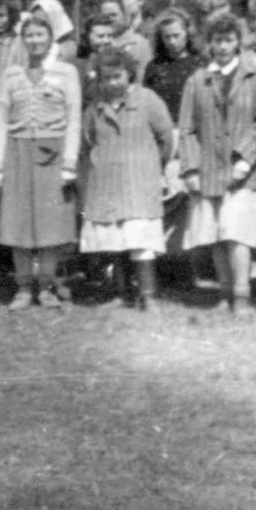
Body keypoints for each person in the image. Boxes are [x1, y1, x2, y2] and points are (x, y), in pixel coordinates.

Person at [177, 15, 256, 315]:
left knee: (238, 233)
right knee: (216, 234)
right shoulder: (198, 79)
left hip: (245, 171)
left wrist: (244, 161)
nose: (223, 47)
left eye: (229, 40)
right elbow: (187, 128)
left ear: (238, 42)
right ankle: (225, 293)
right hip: (208, 169)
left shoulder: (255, 76)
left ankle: (242, 295)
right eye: (217, 41)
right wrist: (190, 168)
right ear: (209, 44)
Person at [0, 11, 81, 308]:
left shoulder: (67, 73)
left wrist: (69, 162)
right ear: (23, 39)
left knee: (49, 225)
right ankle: (24, 287)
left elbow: (74, 118)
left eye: (40, 34)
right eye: (29, 35)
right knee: (19, 224)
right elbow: (1, 119)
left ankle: (46, 286)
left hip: (52, 155)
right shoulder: (11, 74)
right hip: (17, 153)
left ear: (50, 37)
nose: (34, 41)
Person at [79, 48, 176, 312]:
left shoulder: (147, 100)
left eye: (117, 76)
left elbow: (166, 138)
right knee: (114, 241)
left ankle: (148, 295)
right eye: (106, 77)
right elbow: (88, 141)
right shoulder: (94, 108)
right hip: (107, 182)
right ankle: (121, 294)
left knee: (140, 240)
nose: (112, 83)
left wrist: (154, 165)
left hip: (139, 182)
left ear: (129, 74)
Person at [142, 9, 204, 123]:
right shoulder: (154, 67)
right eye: (167, 37)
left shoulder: (200, 64)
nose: (172, 42)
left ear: (187, 33)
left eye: (176, 35)